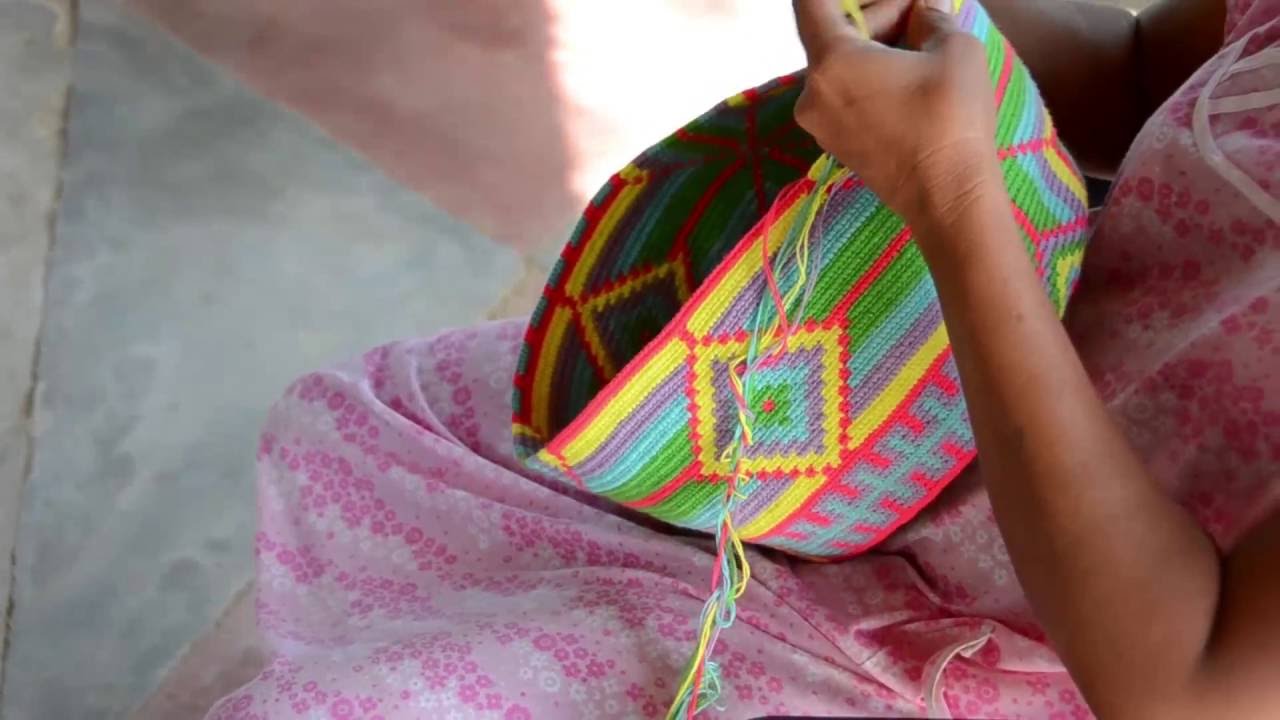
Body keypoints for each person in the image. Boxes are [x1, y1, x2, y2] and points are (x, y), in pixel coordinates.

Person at [209, 0, 1278, 717]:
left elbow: (1191, 687)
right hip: (876, 419)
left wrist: (954, 198)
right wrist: (934, 17)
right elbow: (1142, 67)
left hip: (993, 650)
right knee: (382, 430)